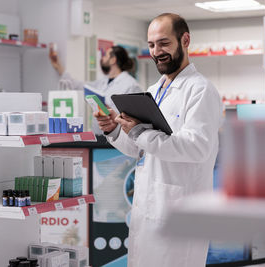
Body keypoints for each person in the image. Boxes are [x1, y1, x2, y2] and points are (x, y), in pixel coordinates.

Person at [95, 13, 223, 266]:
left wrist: (140, 132)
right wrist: (115, 131)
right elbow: (139, 150)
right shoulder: (153, 91)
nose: (156, 51)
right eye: (152, 45)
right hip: (147, 209)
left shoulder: (200, 90)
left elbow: (196, 148)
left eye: (164, 43)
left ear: (185, 40)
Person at [49, 45, 142, 112]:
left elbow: (133, 115)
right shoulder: (103, 82)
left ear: (113, 60)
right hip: (98, 133)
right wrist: (58, 67)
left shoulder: (131, 85)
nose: (102, 58)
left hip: (117, 136)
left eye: (106, 55)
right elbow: (78, 85)